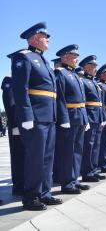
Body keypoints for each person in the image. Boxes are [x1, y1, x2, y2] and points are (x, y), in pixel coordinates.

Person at [11, 22, 62, 210]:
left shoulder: (44, 61)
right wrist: (25, 116)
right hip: (35, 117)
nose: (48, 39)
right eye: (45, 36)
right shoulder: (23, 57)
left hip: (49, 116)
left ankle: (45, 193)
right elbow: (20, 89)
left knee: (48, 157)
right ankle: (31, 196)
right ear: (34, 38)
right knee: (35, 157)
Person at [55, 45, 90, 194]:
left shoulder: (75, 75)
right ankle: (67, 183)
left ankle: (74, 180)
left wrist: (85, 119)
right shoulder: (60, 73)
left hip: (79, 116)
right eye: (75, 56)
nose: (77, 59)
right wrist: (63, 118)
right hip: (69, 116)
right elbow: (59, 98)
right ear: (66, 56)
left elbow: (82, 100)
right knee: (67, 151)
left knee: (77, 151)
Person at [79, 55, 106, 182]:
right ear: (86, 67)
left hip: (97, 116)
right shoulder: (83, 81)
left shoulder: (94, 83)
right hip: (90, 116)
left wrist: (103, 117)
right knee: (88, 145)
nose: (96, 69)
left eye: (95, 66)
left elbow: (100, 102)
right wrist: (85, 119)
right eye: (93, 66)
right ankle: (87, 172)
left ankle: (94, 169)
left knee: (96, 145)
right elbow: (82, 102)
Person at [2, 51, 25, 196]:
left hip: (26, 125)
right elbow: (9, 104)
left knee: (26, 155)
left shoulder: (22, 81)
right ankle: (18, 186)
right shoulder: (9, 80)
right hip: (16, 125)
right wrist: (16, 125)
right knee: (18, 156)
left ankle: (24, 183)